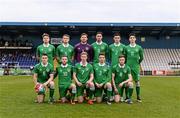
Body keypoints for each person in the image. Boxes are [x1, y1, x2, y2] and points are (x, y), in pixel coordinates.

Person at [125, 33, 144, 102]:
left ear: (135, 39)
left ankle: (138, 96)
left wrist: (137, 63)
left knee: (137, 82)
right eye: (131, 38)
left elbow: (141, 57)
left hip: (136, 67)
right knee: (128, 83)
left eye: (133, 38)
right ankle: (127, 97)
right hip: (128, 67)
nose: (132, 39)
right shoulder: (126, 48)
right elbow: (124, 57)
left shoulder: (139, 47)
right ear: (129, 39)